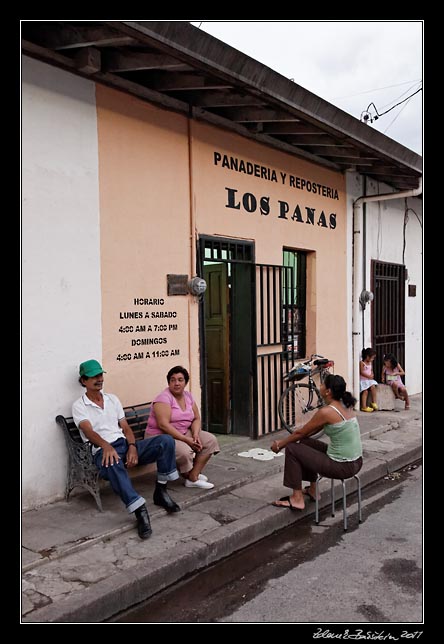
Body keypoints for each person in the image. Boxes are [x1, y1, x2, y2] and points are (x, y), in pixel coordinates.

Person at [72, 359, 181, 541]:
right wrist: (106, 446)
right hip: (101, 451)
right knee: (111, 460)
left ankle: (161, 492)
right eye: (93, 377)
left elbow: (126, 427)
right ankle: (139, 510)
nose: (99, 379)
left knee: (166, 441)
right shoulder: (79, 406)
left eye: (100, 375)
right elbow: (88, 431)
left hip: (124, 445)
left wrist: (132, 447)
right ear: (83, 381)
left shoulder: (112, 399)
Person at [270, 374, 363, 511]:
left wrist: (280, 444)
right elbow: (307, 433)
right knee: (305, 443)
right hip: (356, 462)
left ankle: (297, 499)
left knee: (292, 448)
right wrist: (299, 437)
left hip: (342, 466)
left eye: (322, 384)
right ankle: (313, 490)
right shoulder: (345, 405)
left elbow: (300, 432)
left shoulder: (327, 412)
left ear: (328, 391)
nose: (319, 387)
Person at [146, 366, 220, 490]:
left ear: (185, 382)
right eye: (173, 380)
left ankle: (192, 475)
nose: (176, 383)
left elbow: (196, 418)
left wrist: (195, 434)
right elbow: (163, 425)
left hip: (183, 432)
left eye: (180, 380)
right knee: (184, 451)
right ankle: (192, 478)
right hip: (161, 437)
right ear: (168, 382)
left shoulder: (188, 396)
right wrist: (186, 439)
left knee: (209, 440)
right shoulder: (163, 398)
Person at [359, 347, 378, 412]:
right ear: (367, 357)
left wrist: (372, 374)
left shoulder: (370, 363)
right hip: (363, 380)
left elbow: (371, 370)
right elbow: (361, 372)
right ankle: (364, 406)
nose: (372, 359)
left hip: (369, 380)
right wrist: (368, 376)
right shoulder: (362, 363)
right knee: (365, 391)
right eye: (372, 358)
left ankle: (374, 402)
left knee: (373, 387)